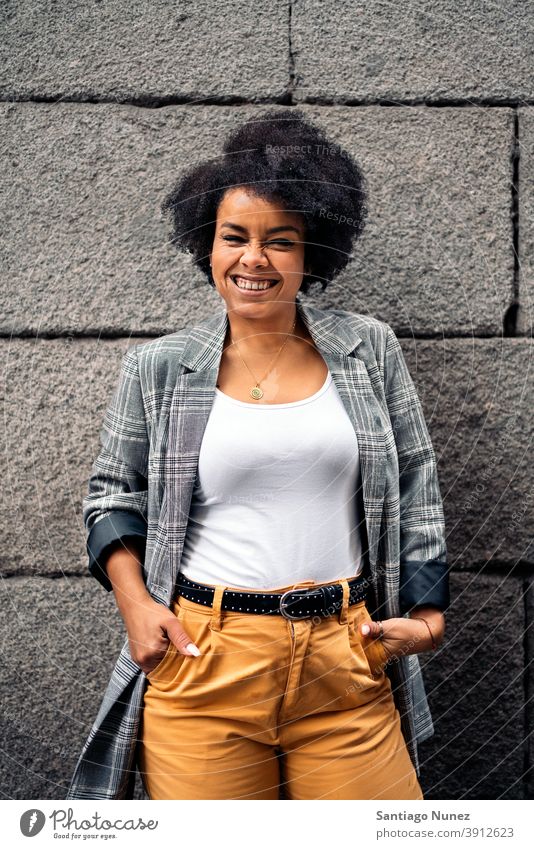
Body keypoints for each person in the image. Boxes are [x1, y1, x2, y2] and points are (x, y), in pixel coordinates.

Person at [67, 109, 449, 801]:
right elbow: (110, 494)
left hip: (346, 656)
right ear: (206, 246)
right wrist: (135, 604)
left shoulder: (370, 349)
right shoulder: (159, 368)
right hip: (207, 658)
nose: (254, 259)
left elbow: (418, 482)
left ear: (310, 254)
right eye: (234, 237)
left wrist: (426, 614)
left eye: (280, 241)